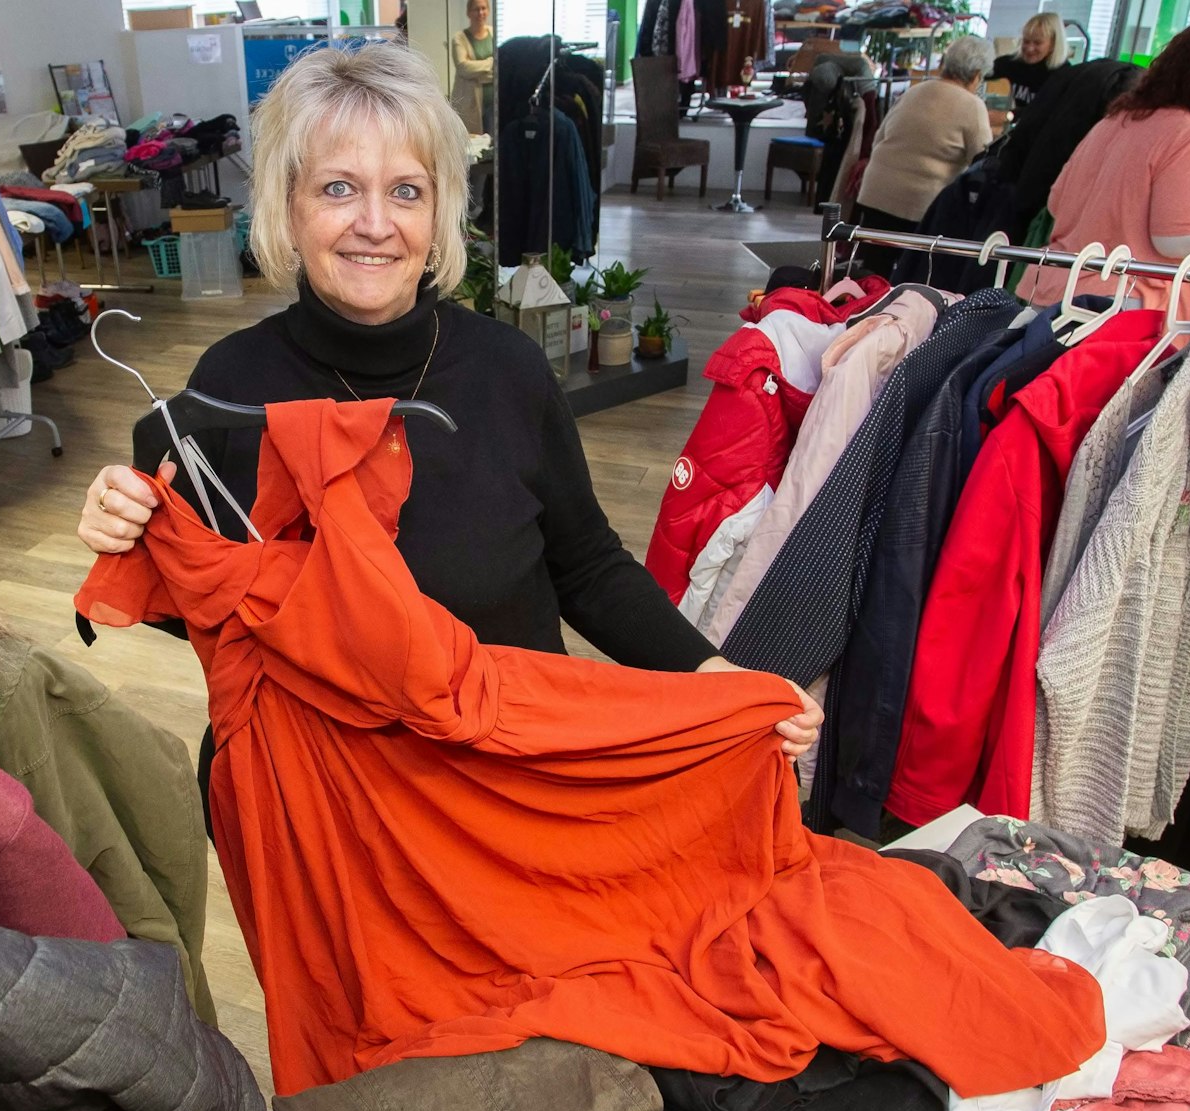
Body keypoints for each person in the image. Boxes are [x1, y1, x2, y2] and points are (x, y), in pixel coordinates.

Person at [77, 44, 823, 784]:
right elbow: (209, 614)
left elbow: (588, 567)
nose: (376, 222)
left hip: (514, 776)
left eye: (406, 191)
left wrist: (714, 673)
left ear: (439, 212)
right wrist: (133, 538)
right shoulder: (230, 390)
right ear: (286, 205)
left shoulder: (510, 368)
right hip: (333, 806)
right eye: (339, 188)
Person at [1019, 19, 1190, 322]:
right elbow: (1183, 238)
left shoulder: (1114, 122)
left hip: (1056, 290)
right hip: (1120, 310)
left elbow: (1057, 202)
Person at [855, 35, 996, 278]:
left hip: (876, 192)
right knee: (916, 274)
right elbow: (982, 161)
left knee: (872, 273)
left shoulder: (915, 90)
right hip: (919, 204)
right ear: (976, 75)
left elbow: (880, 137)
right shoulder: (973, 106)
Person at [990, 12, 1070, 113]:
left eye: (1037, 43)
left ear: (1053, 44)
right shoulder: (1003, 65)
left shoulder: (1063, 76)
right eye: (1026, 41)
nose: (1029, 48)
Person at [450, 0, 495, 136]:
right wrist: (491, 62)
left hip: (493, 104)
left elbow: (502, 65)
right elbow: (464, 68)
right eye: (476, 9)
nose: (480, 13)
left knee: (494, 144)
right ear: (468, 12)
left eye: (483, 8)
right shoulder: (459, 38)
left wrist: (476, 69)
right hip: (470, 103)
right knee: (474, 146)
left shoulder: (494, 34)